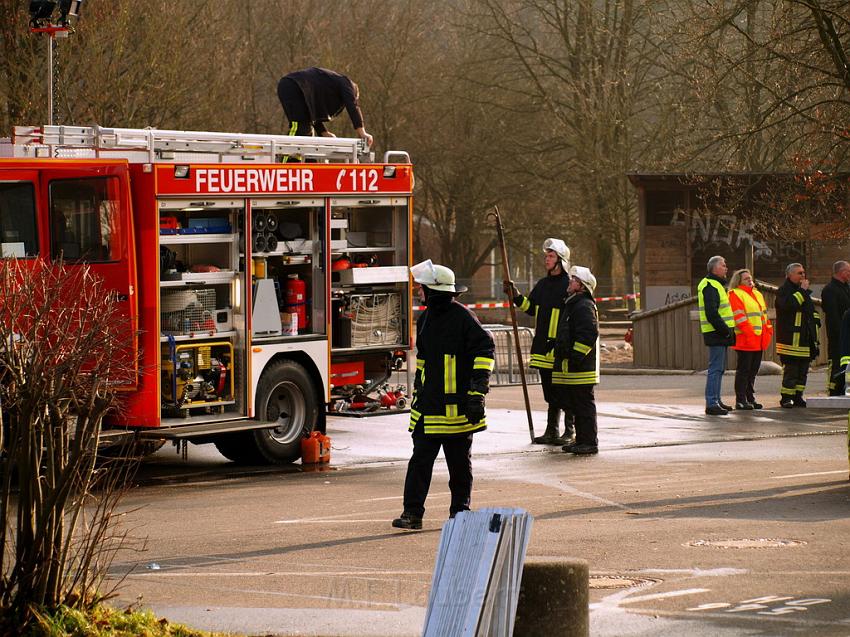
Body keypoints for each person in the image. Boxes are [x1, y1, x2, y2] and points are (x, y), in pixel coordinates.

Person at [392, 260, 495, 530]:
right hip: (429, 408)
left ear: (434, 290)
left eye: (422, 288)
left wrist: (477, 393)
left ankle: (460, 513)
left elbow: (485, 352)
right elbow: (424, 363)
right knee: (419, 463)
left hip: (459, 409)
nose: (419, 292)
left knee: (459, 466)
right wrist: (418, 397)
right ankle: (412, 514)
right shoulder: (425, 318)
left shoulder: (463, 317)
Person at [503, 238, 573, 445]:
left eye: (551, 256)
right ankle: (552, 430)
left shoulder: (569, 285)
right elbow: (531, 308)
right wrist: (515, 296)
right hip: (542, 347)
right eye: (546, 256)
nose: (547, 259)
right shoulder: (543, 285)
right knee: (550, 393)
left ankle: (570, 431)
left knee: (565, 390)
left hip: (560, 348)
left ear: (561, 260)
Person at [553, 266, 600, 455]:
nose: (569, 282)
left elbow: (588, 334)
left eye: (573, 280)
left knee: (584, 405)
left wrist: (575, 357)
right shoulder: (573, 304)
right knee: (576, 405)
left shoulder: (583, 305)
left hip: (581, 368)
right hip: (573, 368)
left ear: (582, 286)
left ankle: (589, 442)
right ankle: (581, 440)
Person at [276, 67, 374, 147]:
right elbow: (353, 106)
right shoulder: (347, 84)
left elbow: (313, 115)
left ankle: (301, 163)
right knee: (300, 126)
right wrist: (362, 132)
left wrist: (323, 132)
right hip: (293, 86)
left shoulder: (327, 88)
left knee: (306, 131)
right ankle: (284, 164)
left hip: (295, 88)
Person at [775, 262, 820, 408]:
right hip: (790, 340)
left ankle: (798, 396)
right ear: (790, 275)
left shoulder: (804, 292)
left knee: (803, 371)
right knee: (791, 371)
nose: (803, 275)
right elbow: (789, 305)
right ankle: (786, 398)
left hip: (805, 340)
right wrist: (802, 291)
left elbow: (810, 311)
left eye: (803, 273)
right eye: (799, 273)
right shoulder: (784, 291)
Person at [727, 269, 773, 409]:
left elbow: (763, 315)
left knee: (752, 371)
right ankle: (741, 400)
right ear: (738, 281)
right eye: (746, 278)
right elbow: (739, 318)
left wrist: (768, 330)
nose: (750, 280)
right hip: (745, 340)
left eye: (750, 278)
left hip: (758, 339)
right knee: (744, 371)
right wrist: (751, 333)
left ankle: (750, 398)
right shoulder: (735, 294)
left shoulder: (757, 294)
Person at [697, 255, 736, 415]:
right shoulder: (710, 285)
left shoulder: (715, 284)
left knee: (719, 369)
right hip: (717, 333)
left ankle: (716, 400)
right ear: (715, 268)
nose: (726, 268)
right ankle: (712, 402)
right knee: (715, 369)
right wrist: (725, 330)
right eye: (723, 265)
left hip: (718, 333)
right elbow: (712, 313)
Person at [819, 260, 850, 396]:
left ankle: (845, 388)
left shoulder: (846, 288)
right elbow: (833, 316)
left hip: (847, 335)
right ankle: (834, 390)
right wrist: (840, 334)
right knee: (837, 363)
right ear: (841, 272)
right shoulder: (830, 290)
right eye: (848, 271)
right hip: (838, 336)